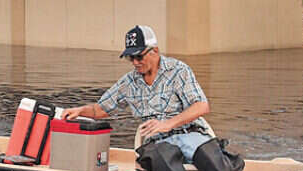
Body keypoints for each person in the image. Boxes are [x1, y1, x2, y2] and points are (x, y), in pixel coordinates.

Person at [62, 24, 211, 162]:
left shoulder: (178, 70)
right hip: (158, 145)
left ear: (155, 51)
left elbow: (201, 106)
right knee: (161, 159)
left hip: (190, 136)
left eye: (139, 56)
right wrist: (80, 110)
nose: (135, 62)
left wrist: (168, 124)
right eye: (130, 58)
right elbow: (101, 109)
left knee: (210, 157)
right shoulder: (128, 82)